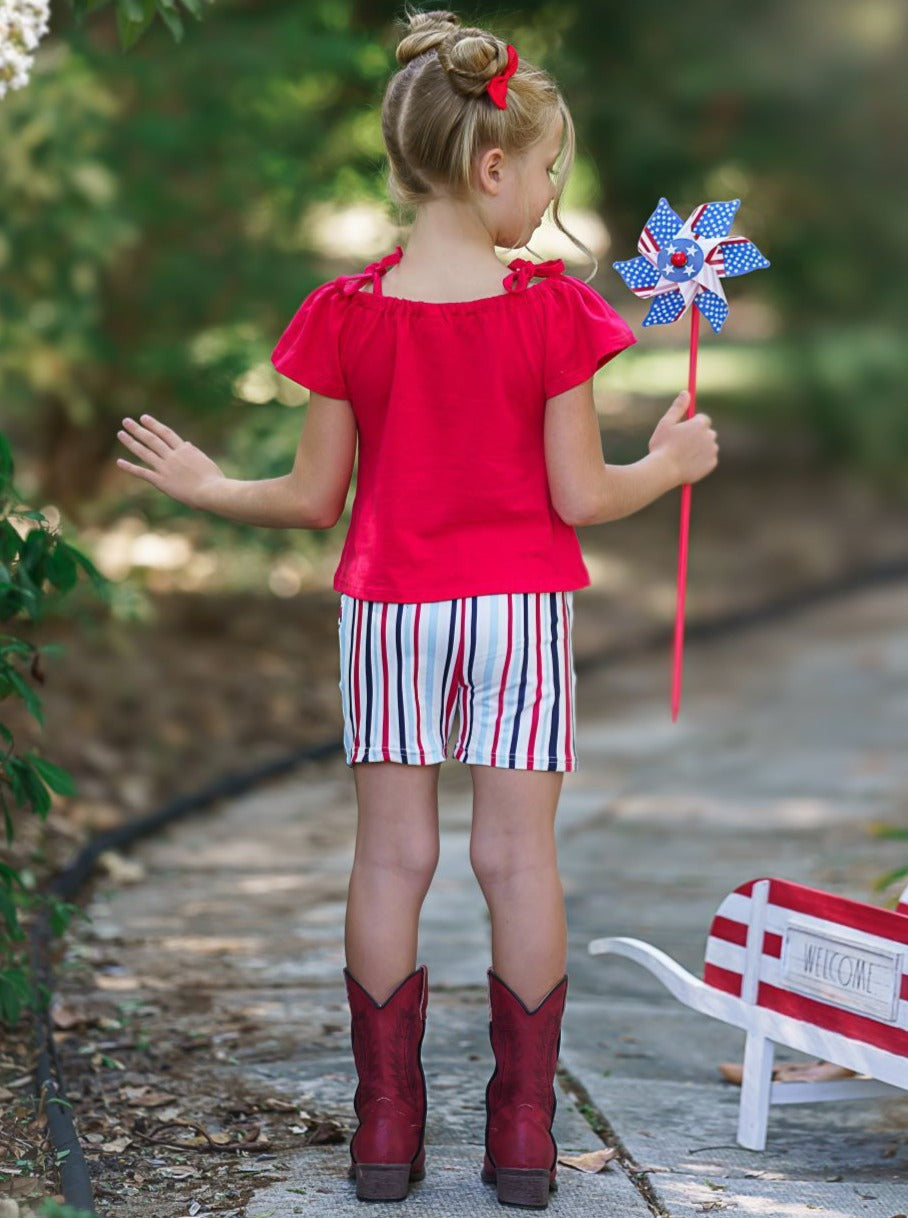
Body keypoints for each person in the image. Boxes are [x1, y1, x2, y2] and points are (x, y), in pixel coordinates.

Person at [115, 6, 718, 1208]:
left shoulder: (347, 315)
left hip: (390, 609)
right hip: (516, 616)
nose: (546, 197)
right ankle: (524, 1135)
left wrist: (201, 484)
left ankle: (384, 1128)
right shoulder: (547, 312)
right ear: (492, 166)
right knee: (515, 858)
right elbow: (581, 496)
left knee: (390, 856)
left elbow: (308, 499)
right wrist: (669, 465)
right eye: (546, 173)